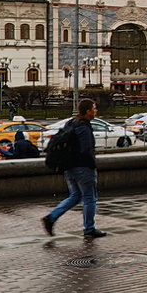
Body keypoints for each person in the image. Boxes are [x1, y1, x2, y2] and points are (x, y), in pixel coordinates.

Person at [42, 99, 107, 238]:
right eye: (94, 108)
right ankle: (89, 228)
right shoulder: (84, 127)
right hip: (83, 167)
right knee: (90, 198)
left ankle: (51, 217)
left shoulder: (71, 123)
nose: (96, 111)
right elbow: (85, 150)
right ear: (88, 111)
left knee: (75, 195)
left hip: (69, 167)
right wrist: (92, 164)